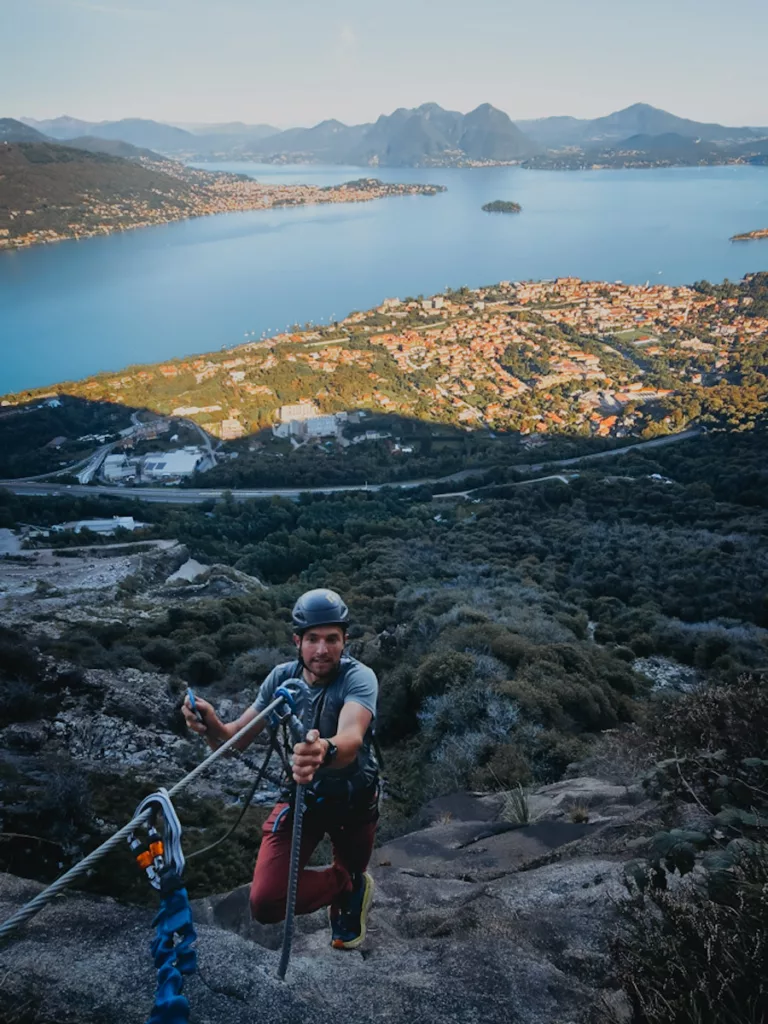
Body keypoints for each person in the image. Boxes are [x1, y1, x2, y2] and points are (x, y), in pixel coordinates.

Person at [181, 588, 379, 950]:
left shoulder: (358, 678)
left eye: (332, 639)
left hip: (353, 800)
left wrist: (324, 749)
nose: (322, 650)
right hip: (306, 796)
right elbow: (233, 741)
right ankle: (349, 884)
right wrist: (210, 723)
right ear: (297, 641)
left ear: (345, 640)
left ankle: (348, 880)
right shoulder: (280, 679)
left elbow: (352, 738)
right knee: (266, 902)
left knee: (350, 862)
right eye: (313, 639)